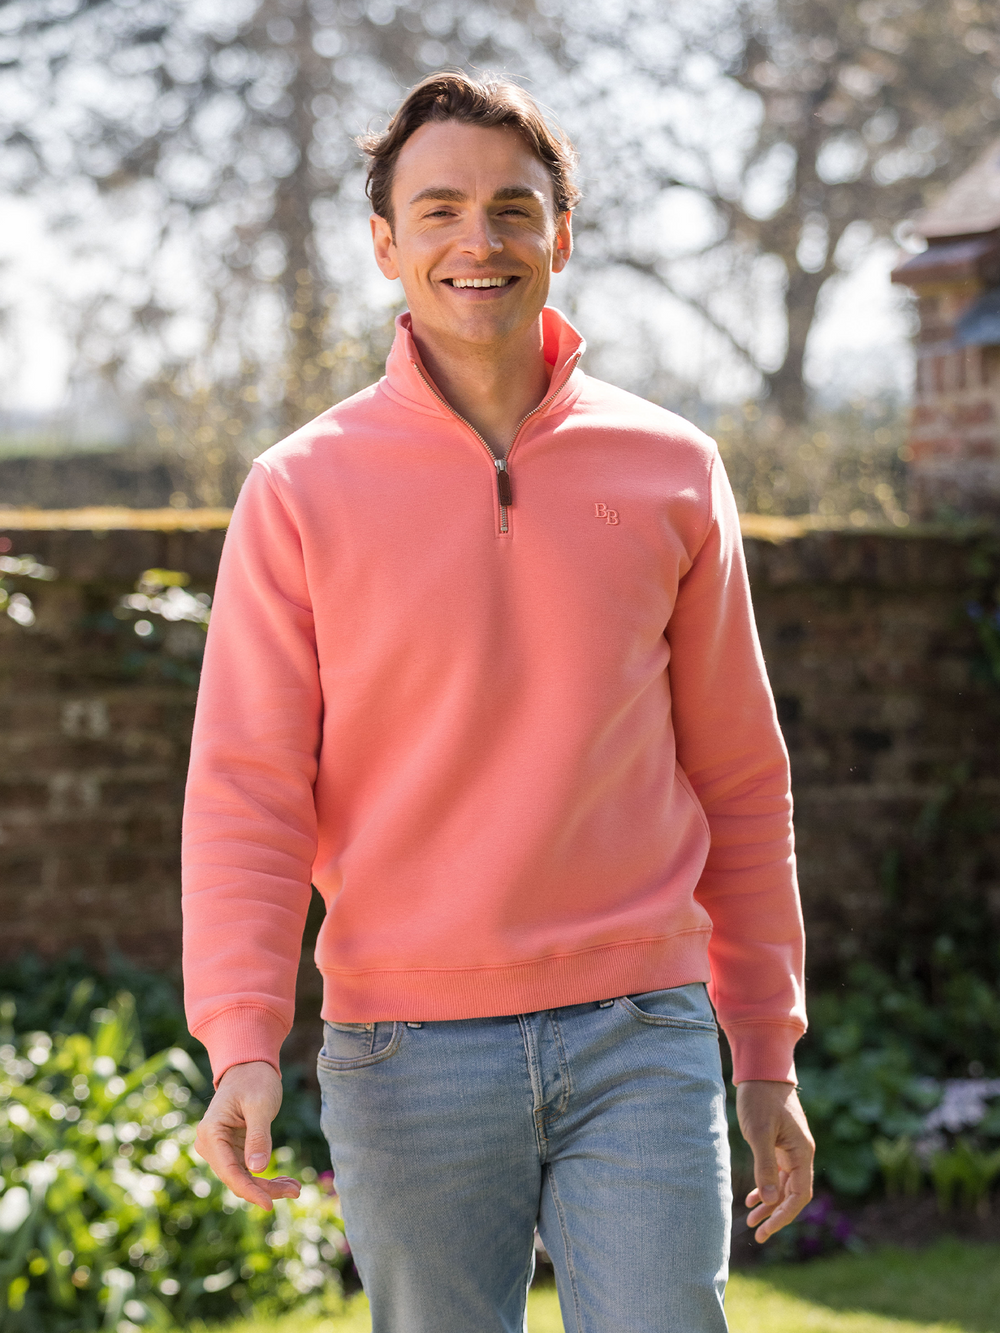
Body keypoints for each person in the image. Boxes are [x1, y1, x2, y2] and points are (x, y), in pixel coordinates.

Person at [183, 71, 814, 1333]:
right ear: (386, 245)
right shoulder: (299, 487)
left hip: (642, 1024)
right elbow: (249, 784)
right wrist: (244, 1035)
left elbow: (739, 774)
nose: (481, 242)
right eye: (440, 211)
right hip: (407, 1045)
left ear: (561, 236)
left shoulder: (672, 469)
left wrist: (764, 1044)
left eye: (514, 210)